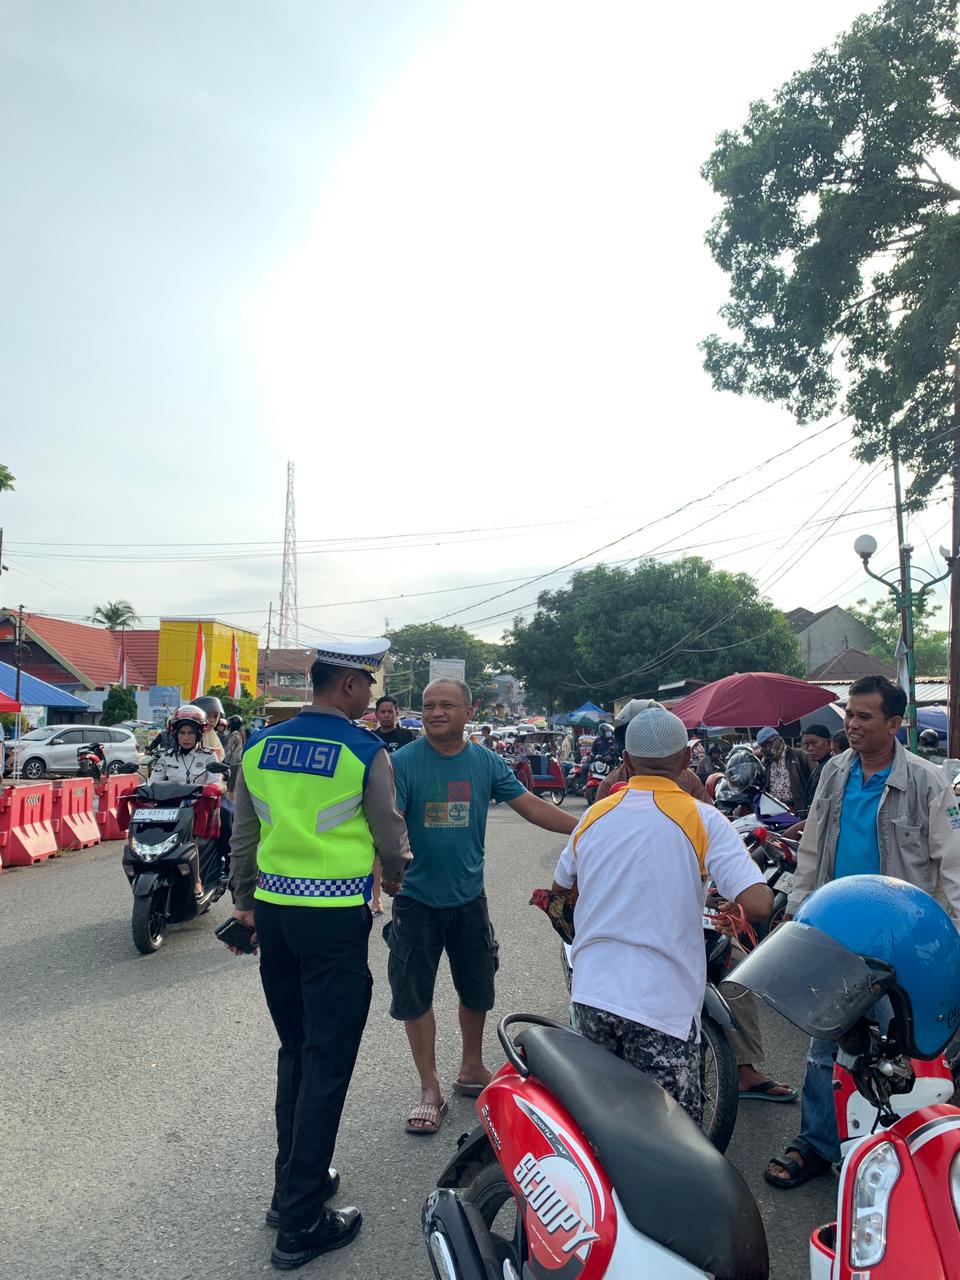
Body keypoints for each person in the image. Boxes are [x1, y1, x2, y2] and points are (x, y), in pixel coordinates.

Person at [226, 639, 411, 1269]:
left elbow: (244, 833)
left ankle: (291, 1190)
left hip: (275, 917)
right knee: (327, 1061)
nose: (370, 698)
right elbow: (389, 832)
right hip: (333, 921)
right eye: (368, 686)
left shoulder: (259, 745)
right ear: (350, 686)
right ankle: (301, 1223)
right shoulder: (364, 750)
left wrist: (244, 901)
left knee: (296, 1051)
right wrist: (396, 877)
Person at [766, 674, 960, 1190]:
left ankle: (898, 1152)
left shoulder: (927, 782)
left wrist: (954, 939)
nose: (851, 724)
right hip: (835, 935)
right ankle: (816, 1143)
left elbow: (953, 865)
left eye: (863, 716)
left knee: (903, 1050)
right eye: (849, 714)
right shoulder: (833, 772)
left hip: (901, 944)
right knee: (823, 1047)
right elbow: (813, 846)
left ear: (894, 724)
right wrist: (798, 911)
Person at [551, 707, 772, 1120]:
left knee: (599, 1122)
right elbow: (759, 903)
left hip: (591, 995)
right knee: (669, 1134)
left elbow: (561, 888)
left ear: (627, 761)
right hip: (660, 1006)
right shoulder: (703, 818)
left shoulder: (594, 815)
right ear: (687, 759)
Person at [387, 678, 578, 1135]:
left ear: (469, 711)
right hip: (415, 901)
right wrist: (384, 874)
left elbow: (529, 805)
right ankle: (429, 1088)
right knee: (414, 994)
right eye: (428, 705)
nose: (435, 712)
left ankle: (471, 1067)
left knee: (477, 987)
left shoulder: (485, 761)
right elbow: (390, 825)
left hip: (470, 898)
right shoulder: (403, 762)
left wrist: (587, 826)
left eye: (446, 705)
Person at [150, 704, 226, 895]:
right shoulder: (166, 757)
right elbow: (153, 782)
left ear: (199, 734)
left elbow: (215, 781)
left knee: (229, 818)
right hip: (170, 811)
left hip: (199, 807)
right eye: (182, 733)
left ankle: (206, 876)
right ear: (175, 734)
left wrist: (211, 789)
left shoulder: (209, 756)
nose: (186, 737)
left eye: (191, 733)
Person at [782, 723, 834, 839]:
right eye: (807, 744)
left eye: (814, 743)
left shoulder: (831, 768)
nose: (810, 748)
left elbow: (823, 810)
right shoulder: (821, 766)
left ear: (828, 743)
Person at [755, 726, 811, 812]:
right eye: (763, 746)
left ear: (779, 739)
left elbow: (814, 779)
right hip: (773, 809)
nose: (768, 748)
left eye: (769, 743)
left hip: (797, 808)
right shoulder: (766, 761)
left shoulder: (798, 755)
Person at [222, 714, 245, 794]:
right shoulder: (241, 733)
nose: (229, 724)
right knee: (234, 785)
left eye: (230, 723)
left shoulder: (234, 734)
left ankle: (230, 800)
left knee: (230, 786)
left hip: (232, 762)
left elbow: (229, 749)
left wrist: (224, 761)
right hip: (238, 761)